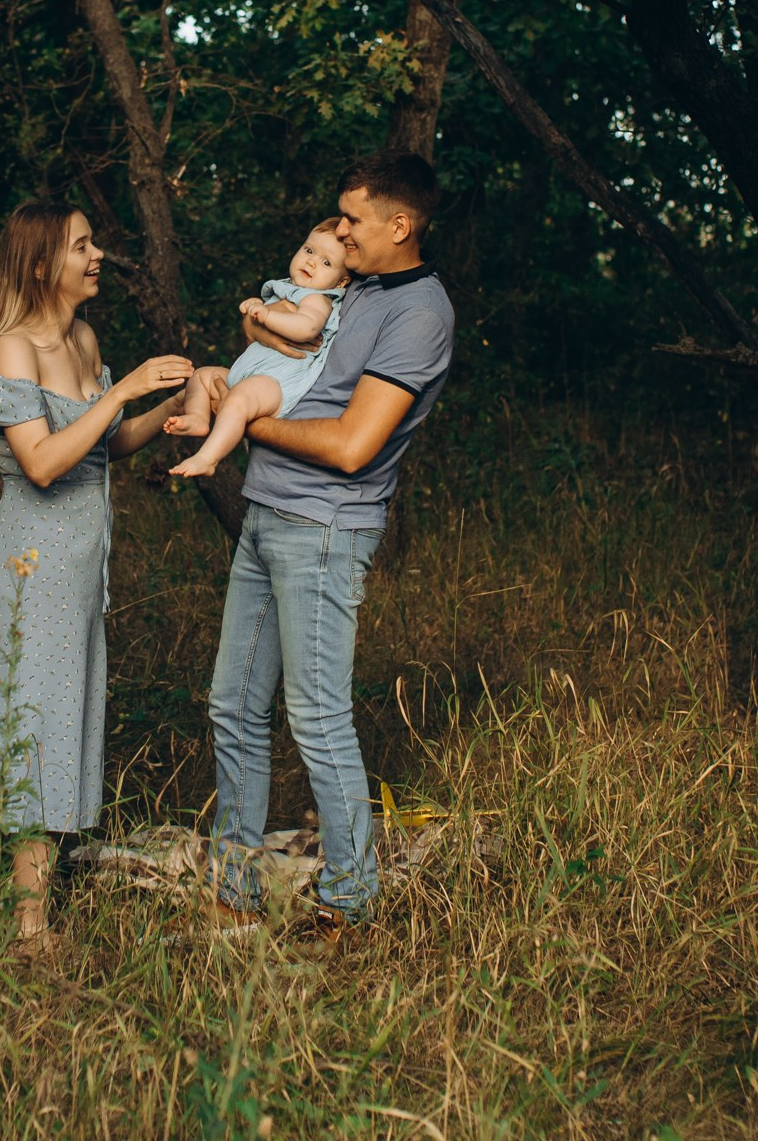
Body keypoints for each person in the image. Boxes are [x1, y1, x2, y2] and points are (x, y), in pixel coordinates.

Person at [0, 202, 191, 953]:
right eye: (81, 246)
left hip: (78, 571)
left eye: (93, 242)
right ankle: (29, 924)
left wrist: (169, 406)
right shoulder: (14, 351)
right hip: (31, 566)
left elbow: (104, 443)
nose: (97, 254)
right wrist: (122, 390)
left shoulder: (84, 340)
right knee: (34, 729)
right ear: (41, 265)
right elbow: (41, 464)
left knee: (29, 724)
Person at [201, 152, 455, 932]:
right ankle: (236, 887)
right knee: (233, 705)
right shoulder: (361, 285)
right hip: (268, 510)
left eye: (352, 218)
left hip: (323, 530)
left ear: (399, 226)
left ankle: (351, 901)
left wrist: (244, 424)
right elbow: (285, 333)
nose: (339, 230)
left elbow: (353, 445)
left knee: (316, 716)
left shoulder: (420, 313)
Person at [164, 220, 350, 478]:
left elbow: (306, 328)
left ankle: (208, 458)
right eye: (309, 250)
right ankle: (198, 417)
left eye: (327, 262)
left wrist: (265, 315)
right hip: (252, 376)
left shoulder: (319, 300)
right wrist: (258, 307)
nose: (312, 262)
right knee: (202, 375)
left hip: (276, 384)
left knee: (239, 400)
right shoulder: (287, 287)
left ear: (341, 282)